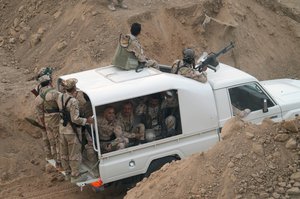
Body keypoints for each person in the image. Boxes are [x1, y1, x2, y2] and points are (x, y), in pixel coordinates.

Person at [57, 78, 94, 183]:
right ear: (74, 88)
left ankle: (68, 173)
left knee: (64, 152)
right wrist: (87, 120)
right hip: (71, 131)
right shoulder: (73, 101)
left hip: (62, 129)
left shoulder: (60, 96)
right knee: (74, 154)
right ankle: (75, 175)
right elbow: (75, 119)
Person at [34, 68, 62, 170]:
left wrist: (44, 125)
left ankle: (55, 161)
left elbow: (40, 115)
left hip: (46, 121)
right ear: (50, 82)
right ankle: (60, 162)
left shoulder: (38, 98)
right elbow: (62, 107)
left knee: (52, 142)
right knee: (59, 141)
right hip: (56, 120)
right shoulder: (55, 93)